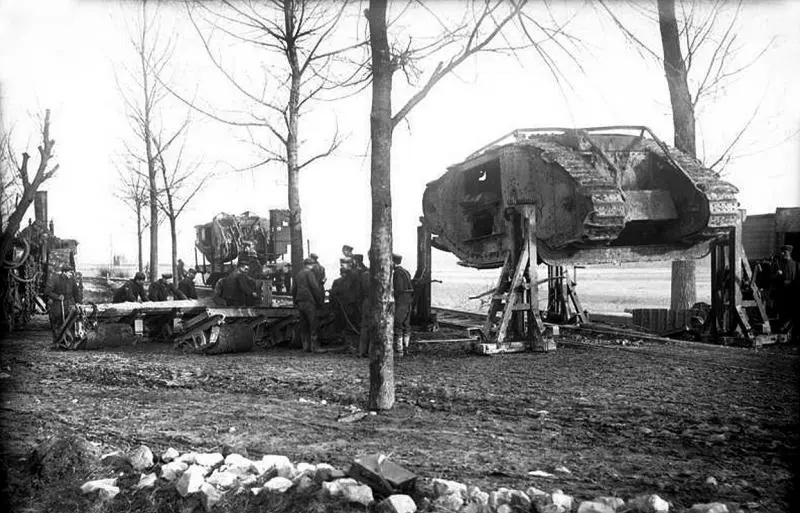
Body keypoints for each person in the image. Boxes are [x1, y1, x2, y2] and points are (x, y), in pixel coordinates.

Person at [292, 257, 325, 352]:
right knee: (313, 324)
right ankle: (315, 347)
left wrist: (295, 301)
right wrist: (320, 302)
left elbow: (294, 289)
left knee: (304, 324)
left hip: (300, 301)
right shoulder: (309, 273)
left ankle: (305, 346)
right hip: (309, 301)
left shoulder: (298, 274)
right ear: (311, 265)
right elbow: (315, 288)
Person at [45, 264, 83, 344]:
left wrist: (78, 303)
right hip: (58, 303)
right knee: (58, 321)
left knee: (70, 321)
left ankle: (68, 341)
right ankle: (56, 341)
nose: (71, 274)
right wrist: (57, 297)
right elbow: (47, 291)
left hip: (69, 303)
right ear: (64, 272)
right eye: (70, 273)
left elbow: (76, 292)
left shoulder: (72, 280)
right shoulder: (55, 279)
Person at [330, 258, 362, 351]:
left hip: (350, 303)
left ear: (349, 265)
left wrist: (333, 291)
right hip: (350, 302)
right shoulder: (352, 274)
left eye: (343, 265)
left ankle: (352, 346)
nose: (341, 266)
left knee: (350, 324)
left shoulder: (352, 274)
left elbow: (344, 288)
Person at [770, 244, 799, 339]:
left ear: (789, 253)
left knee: (792, 312)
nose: (782, 254)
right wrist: (777, 275)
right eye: (782, 252)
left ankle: (791, 332)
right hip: (781, 293)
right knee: (781, 312)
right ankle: (782, 332)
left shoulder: (796, 265)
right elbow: (771, 278)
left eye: (785, 252)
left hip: (792, 293)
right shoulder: (778, 264)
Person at [392, 253, 414, 356]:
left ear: (392, 262)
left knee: (398, 325)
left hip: (401, 301)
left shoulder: (397, 273)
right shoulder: (406, 272)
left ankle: (399, 350)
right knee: (406, 325)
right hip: (408, 301)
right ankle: (406, 348)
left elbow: (399, 289)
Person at [353, 254, 371, 357]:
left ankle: (362, 351)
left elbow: (359, 292)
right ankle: (371, 351)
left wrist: (360, 304)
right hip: (376, 303)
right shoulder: (380, 274)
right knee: (375, 327)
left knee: (364, 327)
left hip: (366, 302)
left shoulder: (364, 275)